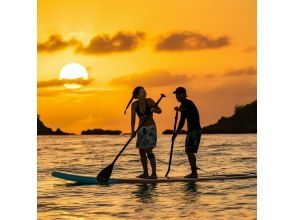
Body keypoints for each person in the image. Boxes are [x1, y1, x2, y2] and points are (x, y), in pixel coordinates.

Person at [124, 86, 162, 179]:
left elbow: (160, 110)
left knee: (149, 150)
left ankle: (154, 174)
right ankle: (145, 173)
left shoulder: (149, 101)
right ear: (137, 95)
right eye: (142, 91)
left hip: (150, 128)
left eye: (145, 91)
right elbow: (133, 118)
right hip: (141, 129)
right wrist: (132, 131)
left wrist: (154, 110)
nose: (145, 92)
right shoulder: (134, 104)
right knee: (141, 151)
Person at [172, 87, 201, 178]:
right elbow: (182, 121)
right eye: (176, 95)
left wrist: (181, 110)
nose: (177, 96)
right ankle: (194, 171)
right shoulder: (182, 105)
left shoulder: (189, 103)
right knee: (188, 151)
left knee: (189, 151)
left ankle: (194, 173)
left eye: (179, 94)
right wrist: (175, 133)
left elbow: (190, 112)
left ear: (184, 95)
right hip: (191, 131)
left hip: (195, 130)